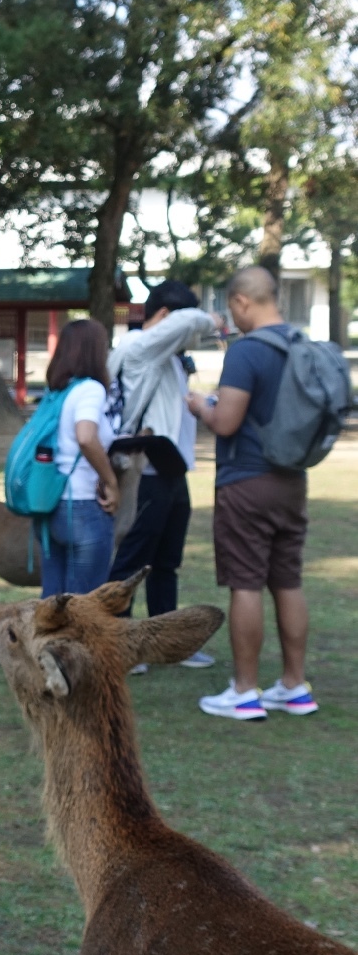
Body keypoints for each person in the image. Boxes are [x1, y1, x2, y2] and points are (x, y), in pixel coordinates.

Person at [188, 265, 317, 720]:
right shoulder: (300, 344)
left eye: (231, 307)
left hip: (246, 479)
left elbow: (227, 422)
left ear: (243, 302)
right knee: (288, 580)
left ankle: (244, 691)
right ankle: (294, 686)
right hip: (292, 478)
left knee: (246, 582)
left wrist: (201, 406)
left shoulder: (247, 353)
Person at [106, 279, 220, 670]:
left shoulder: (169, 354)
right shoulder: (139, 347)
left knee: (166, 562)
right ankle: (121, 644)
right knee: (132, 561)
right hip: (146, 472)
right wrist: (215, 317)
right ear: (167, 316)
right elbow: (190, 320)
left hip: (173, 470)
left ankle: (166, 644)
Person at [41, 318, 119, 595]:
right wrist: (110, 481)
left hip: (53, 505)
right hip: (83, 507)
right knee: (84, 609)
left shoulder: (57, 391)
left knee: (52, 607)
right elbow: (86, 436)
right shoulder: (90, 389)